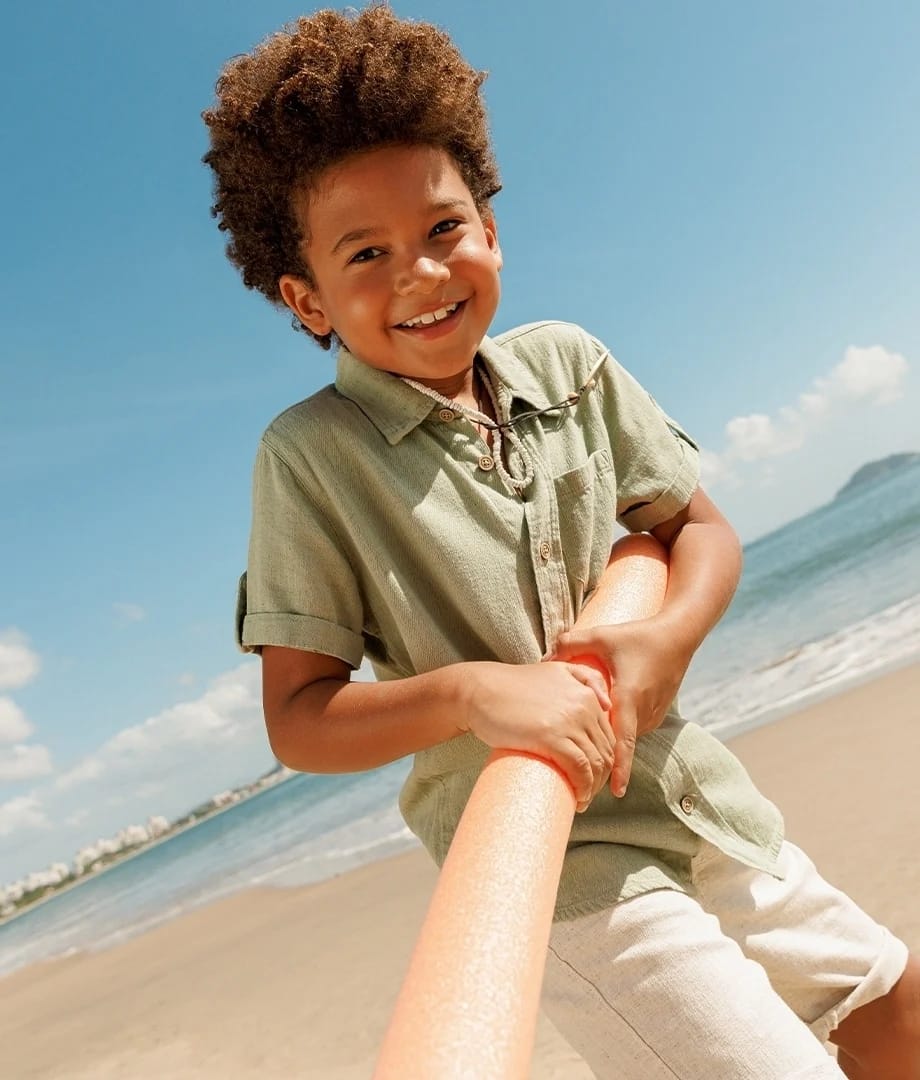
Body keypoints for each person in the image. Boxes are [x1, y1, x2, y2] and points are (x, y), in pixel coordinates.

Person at [203, 6, 918, 1077]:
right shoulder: (310, 458)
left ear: (489, 229)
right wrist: (473, 693)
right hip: (564, 872)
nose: (421, 273)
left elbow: (696, 528)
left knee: (895, 1006)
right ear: (306, 299)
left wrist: (667, 636)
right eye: (368, 253)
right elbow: (299, 720)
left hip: (696, 797)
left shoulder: (570, 364)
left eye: (443, 229)